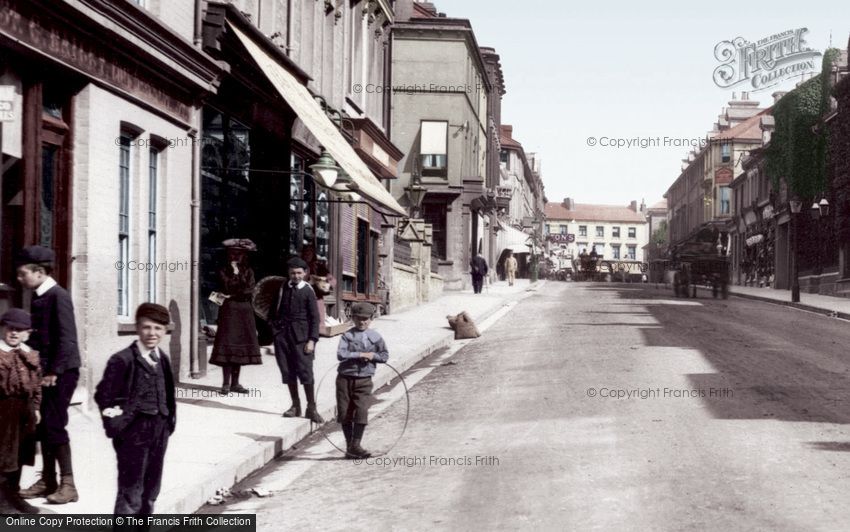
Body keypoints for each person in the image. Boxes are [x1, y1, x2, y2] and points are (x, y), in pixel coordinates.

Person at [94, 303, 176, 516]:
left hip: (159, 429)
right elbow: (104, 396)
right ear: (137, 328)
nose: (152, 333)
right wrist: (118, 426)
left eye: (158, 328)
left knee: (151, 490)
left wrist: (168, 423)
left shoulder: (163, 359)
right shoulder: (122, 360)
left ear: (165, 330)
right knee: (131, 492)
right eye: (147, 327)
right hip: (133, 433)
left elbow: (168, 393)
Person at [15, 246, 80, 505]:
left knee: (54, 425)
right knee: (43, 427)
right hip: (46, 372)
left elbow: (67, 339)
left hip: (61, 372)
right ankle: (49, 480)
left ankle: (68, 484)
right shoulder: (40, 295)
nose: (19, 280)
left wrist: (54, 371)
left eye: (23, 275)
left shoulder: (58, 296)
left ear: (39, 272)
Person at [270, 257, 323, 423]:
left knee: (306, 372)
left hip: (301, 338)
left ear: (305, 273)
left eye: (299, 273)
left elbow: (315, 319)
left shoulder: (308, 290)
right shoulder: (282, 288)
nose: (296, 276)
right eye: (293, 273)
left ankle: (311, 408)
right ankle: (295, 405)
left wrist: (312, 340)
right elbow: (273, 311)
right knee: (287, 371)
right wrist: (275, 332)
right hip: (283, 337)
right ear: (288, 273)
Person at [0, 309, 42, 514]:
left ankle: (13, 494)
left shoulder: (29, 354)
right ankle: (1, 500)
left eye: (20, 330)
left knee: (21, 453)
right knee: (4, 455)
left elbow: (37, 384)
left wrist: (35, 406)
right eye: (10, 328)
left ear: (28, 333)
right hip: (3, 409)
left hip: (24, 409)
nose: (14, 333)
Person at [335, 302, 388, 459]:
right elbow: (341, 354)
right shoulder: (347, 335)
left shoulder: (376, 337)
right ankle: (349, 446)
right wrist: (360, 355)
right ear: (353, 318)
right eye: (358, 318)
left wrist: (373, 356)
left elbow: (384, 356)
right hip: (344, 378)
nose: (362, 322)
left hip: (364, 379)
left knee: (362, 410)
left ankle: (356, 445)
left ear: (371, 319)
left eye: (365, 319)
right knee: (345, 412)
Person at [209, 238, 262, 394]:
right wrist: (234, 277)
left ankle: (235, 383)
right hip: (230, 310)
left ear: (244, 256)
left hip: (244, 311)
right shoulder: (223, 270)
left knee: (239, 347)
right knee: (228, 344)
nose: (235, 257)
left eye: (239, 254)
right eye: (233, 254)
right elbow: (226, 286)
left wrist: (233, 292)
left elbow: (250, 289)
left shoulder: (249, 271)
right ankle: (226, 383)